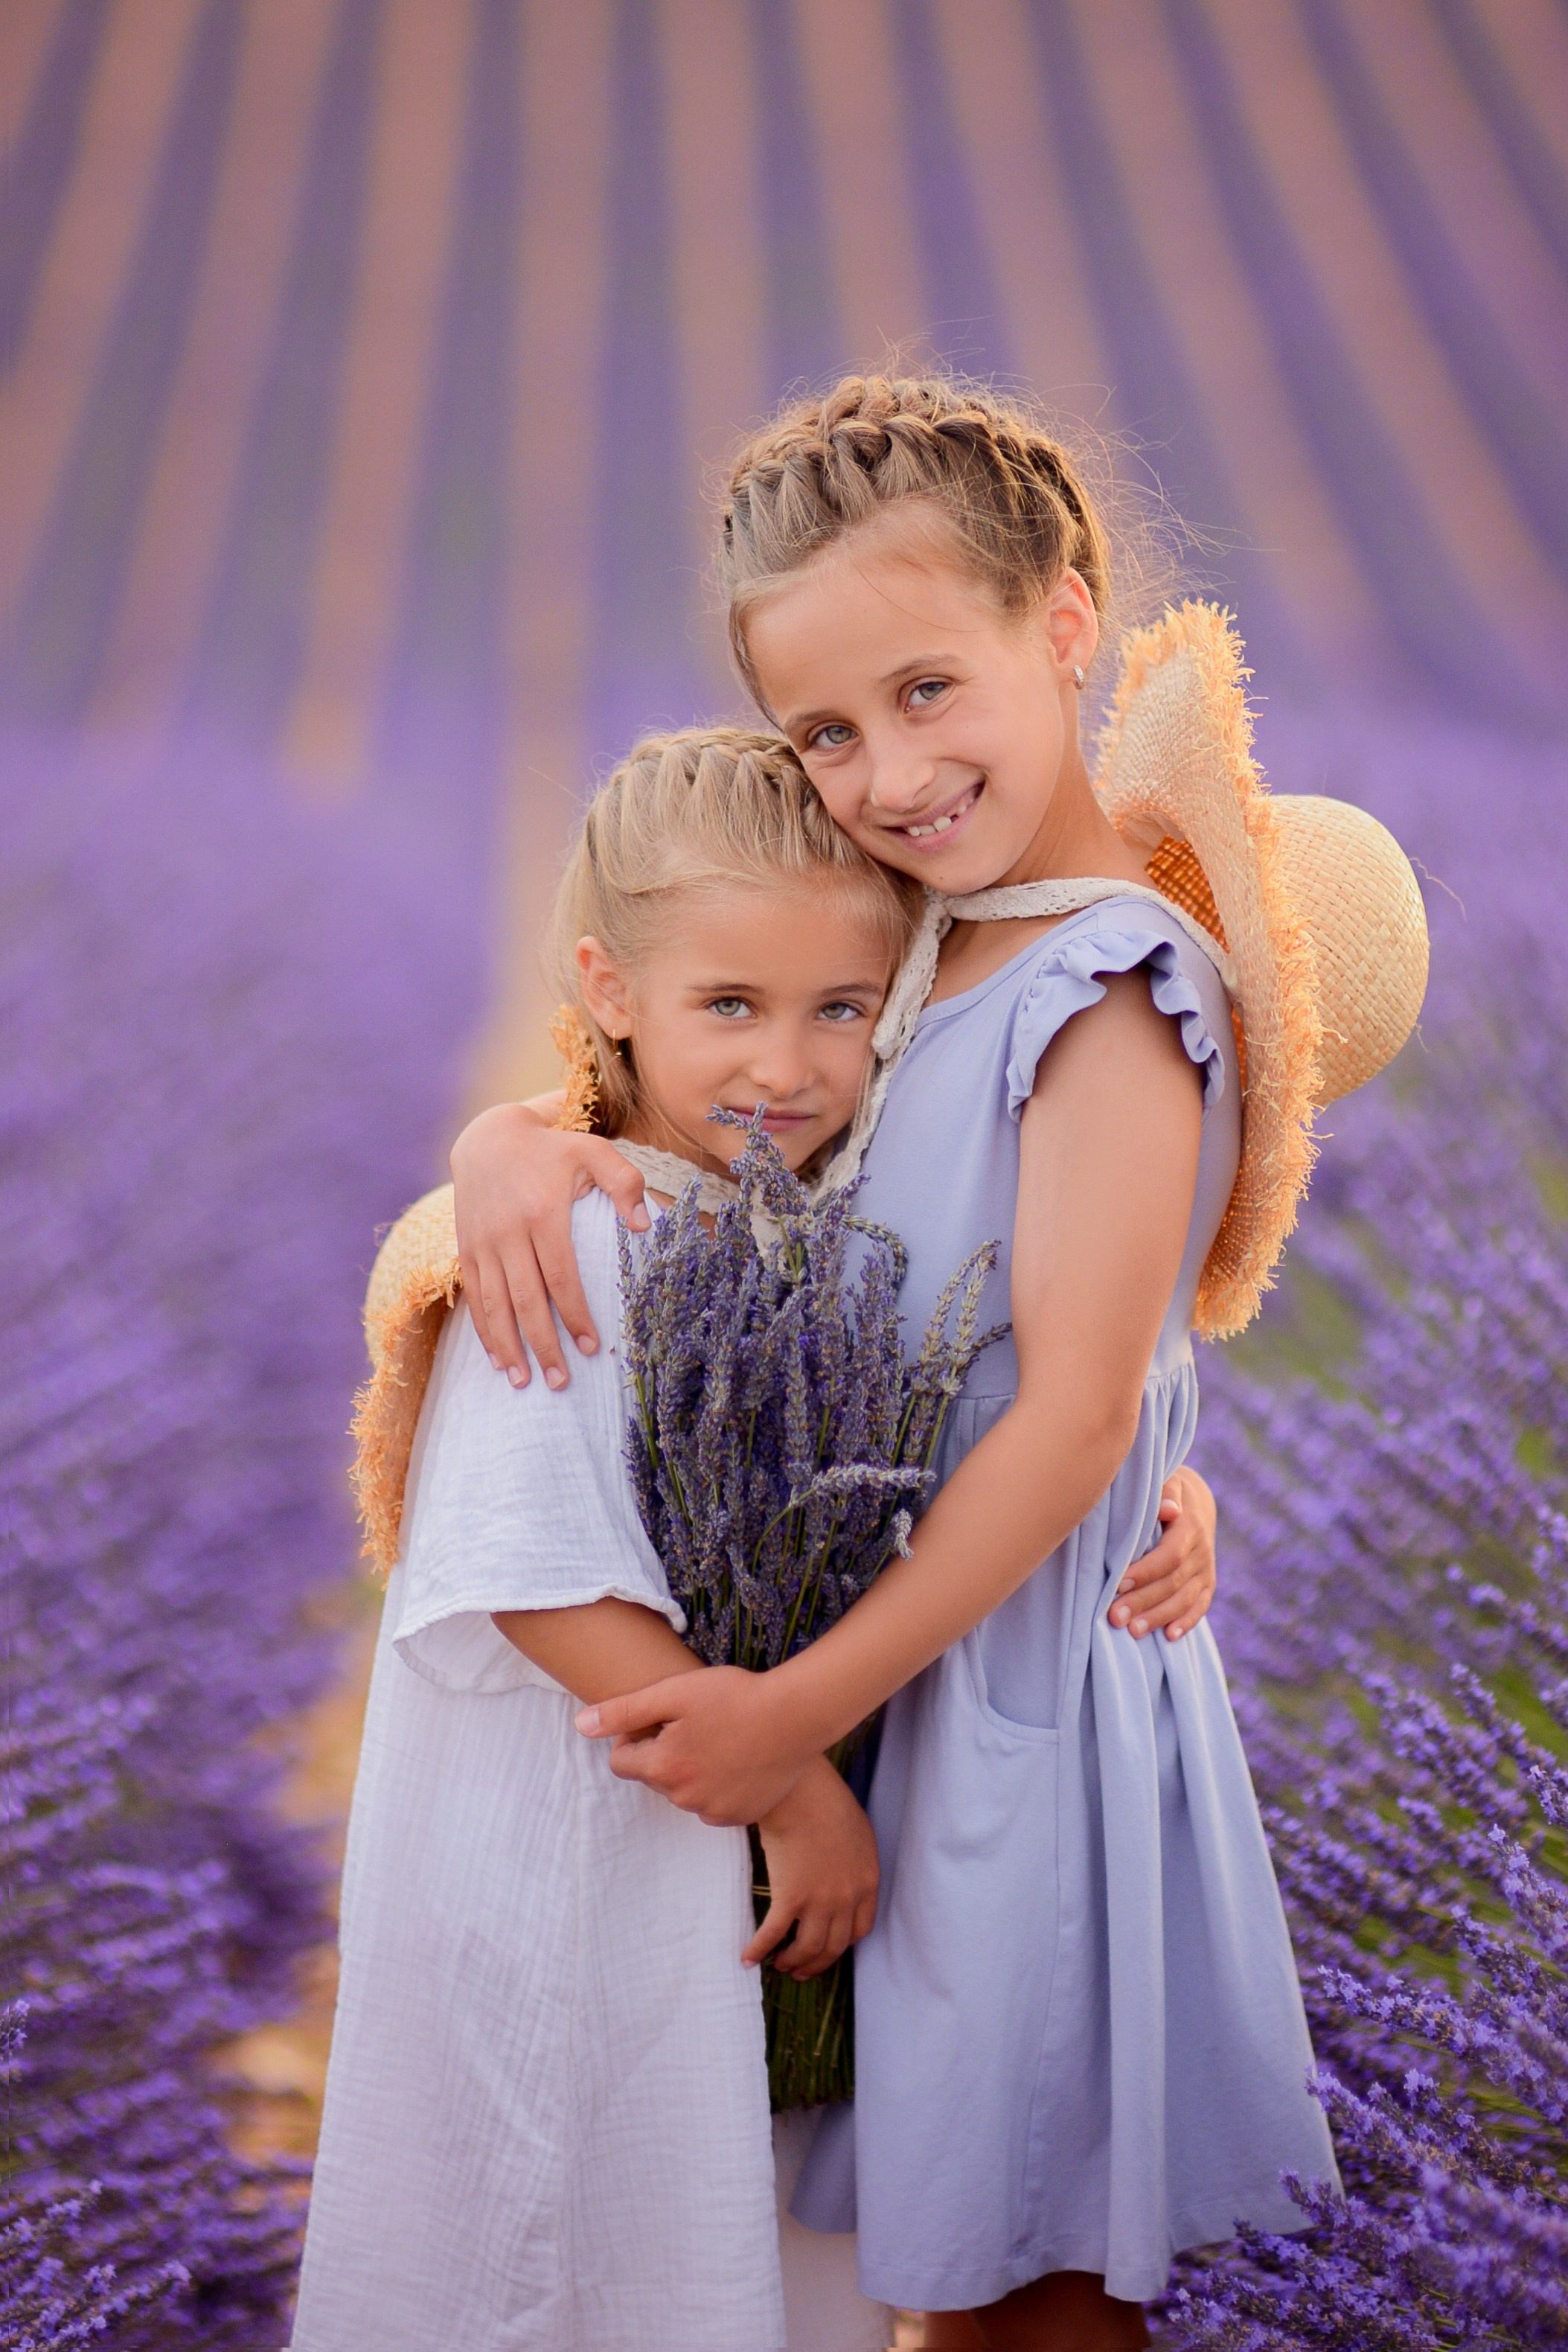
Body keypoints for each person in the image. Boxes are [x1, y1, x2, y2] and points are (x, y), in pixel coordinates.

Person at [444, 376, 1394, 2349]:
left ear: (1065, 620)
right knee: (942, 2286)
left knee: (1014, 2300)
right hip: (921, 1693)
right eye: (827, 729)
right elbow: (765, 1187)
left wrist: (791, 1715)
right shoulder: (932, 945)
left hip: (1007, 1729)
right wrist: (513, 1140)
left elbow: (1066, 1414)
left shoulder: (1106, 987)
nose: (883, 772)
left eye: (927, 689)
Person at [291, 727, 927, 2352]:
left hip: (706, 1847)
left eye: (838, 1008)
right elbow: (530, 1567)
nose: (784, 1064)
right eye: (730, 1004)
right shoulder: (587, 1224)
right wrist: (793, 1785)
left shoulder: (802, 1217)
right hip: (575, 1845)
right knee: (555, 2239)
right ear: (608, 984)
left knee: (693, 2232)